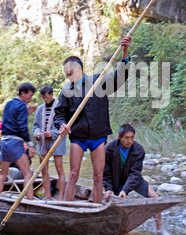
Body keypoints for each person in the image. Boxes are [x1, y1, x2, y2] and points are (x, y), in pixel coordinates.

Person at [55, 35, 131, 204]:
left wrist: (125, 51)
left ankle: (96, 208)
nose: (67, 76)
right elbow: (59, 114)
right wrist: (61, 125)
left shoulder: (98, 81)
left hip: (98, 136)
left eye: (70, 72)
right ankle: (67, 208)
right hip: (78, 137)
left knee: (98, 175)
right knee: (73, 173)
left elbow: (120, 77)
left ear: (79, 69)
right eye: (66, 73)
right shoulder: (66, 91)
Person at [103, 123, 163, 234]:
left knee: (155, 199)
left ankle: (160, 231)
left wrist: (125, 190)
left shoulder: (139, 150)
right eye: (126, 138)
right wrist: (109, 189)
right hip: (115, 180)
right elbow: (106, 173)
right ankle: (122, 233)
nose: (129, 141)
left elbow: (135, 174)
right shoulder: (109, 149)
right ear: (119, 137)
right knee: (118, 209)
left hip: (133, 179)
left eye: (132, 137)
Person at [0, 83, 37, 199]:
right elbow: (22, 128)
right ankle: (30, 202)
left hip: (5, 142)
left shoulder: (9, 104)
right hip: (15, 142)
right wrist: (30, 144)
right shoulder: (22, 106)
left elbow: (9, 121)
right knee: (28, 174)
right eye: (30, 95)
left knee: (2, 175)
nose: (31, 98)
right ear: (23, 93)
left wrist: (25, 113)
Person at [33, 85, 66, 200]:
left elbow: (64, 124)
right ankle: (48, 195)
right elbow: (36, 126)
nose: (45, 100)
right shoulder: (40, 109)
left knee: (59, 168)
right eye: (43, 98)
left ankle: (61, 197)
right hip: (42, 142)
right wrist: (37, 133)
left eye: (47, 97)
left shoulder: (60, 106)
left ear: (52, 95)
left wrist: (53, 133)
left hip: (56, 141)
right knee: (43, 169)